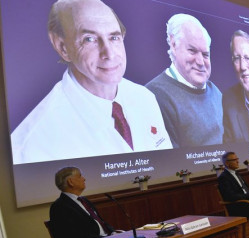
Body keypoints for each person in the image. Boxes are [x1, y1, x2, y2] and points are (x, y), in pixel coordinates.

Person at [11, 0, 172, 164]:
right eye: (89, 39)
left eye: (114, 37)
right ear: (63, 47)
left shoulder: (144, 98)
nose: (109, 54)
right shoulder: (32, 145)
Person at [145, 14, 223, 148]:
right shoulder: (153, 95)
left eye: (205, 55)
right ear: (174, 45)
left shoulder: (215, 92)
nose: (200, 62)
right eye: (192, 51)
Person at [50, 167, 116, 238]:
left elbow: (100, 222)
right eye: (80, 176)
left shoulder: (84, 200)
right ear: (70, 182)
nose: (84, 179)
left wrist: (113, 232)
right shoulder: (59, 207)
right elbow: (76, 237)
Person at [217, 152, 249, 219]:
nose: (238, 161)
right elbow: (230, 196)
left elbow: (246, 189)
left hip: (248, 201)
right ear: (227, 163)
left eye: (237, 159)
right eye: (234, 160)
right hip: (240, 206)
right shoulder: (224, 177)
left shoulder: (236, 173)